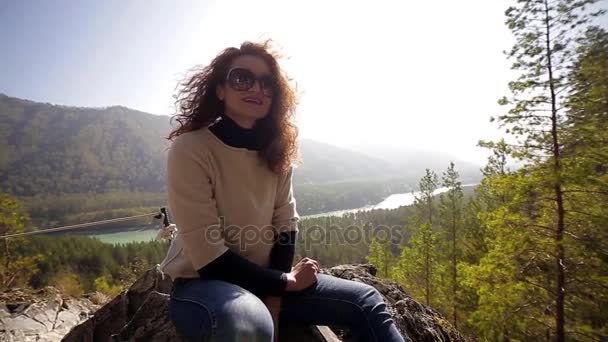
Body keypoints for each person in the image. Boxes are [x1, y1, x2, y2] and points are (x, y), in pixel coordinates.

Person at [159, 40, 407, 342]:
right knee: (249, 323)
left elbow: (285, 223)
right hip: (203, 287)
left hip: (268, 282)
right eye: (242, 78)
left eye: (267, 83)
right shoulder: (192, 148)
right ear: (220, 89)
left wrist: (276, 296)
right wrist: (285, 282)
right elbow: (209, 258)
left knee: (366, 301)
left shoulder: (275, 151)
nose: (257, 89)